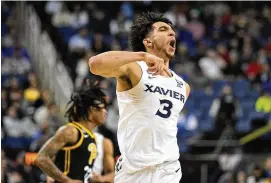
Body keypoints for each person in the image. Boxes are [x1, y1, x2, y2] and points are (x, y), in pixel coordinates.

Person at [89, 12, 190, 183]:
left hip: (167, 169)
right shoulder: (135, 68)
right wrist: (142, 55)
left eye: (172, 31)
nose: (172, 33)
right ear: (148, 42)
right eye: (163, 30)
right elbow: (94, 64)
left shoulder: (183, 86)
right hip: (133, 171)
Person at [35, 86, 108, 183]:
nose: (105, 112)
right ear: (91, 110)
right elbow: (41, 159)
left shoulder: (92, 136)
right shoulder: (71, 131)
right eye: (102, 109)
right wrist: (67, 180)